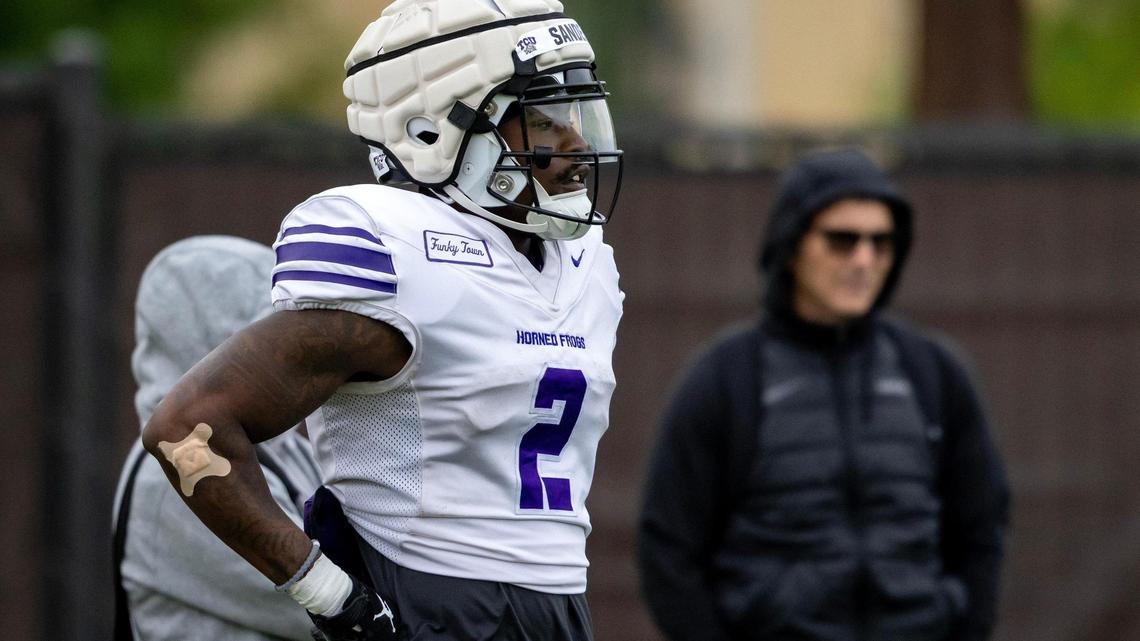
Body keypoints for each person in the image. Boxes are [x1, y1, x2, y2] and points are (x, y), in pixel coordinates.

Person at [140, 1, 624, 640]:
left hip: (560, 599)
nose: (576, 144)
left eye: (572, 115)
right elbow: (185, 429)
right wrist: (331, 597)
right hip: (432, 595)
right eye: (541, 118)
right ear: (432, 132)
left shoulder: (585, 263)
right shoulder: (400, 251)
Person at [637, 148, 1010, 641]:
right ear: (792, 244)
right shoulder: (727, 378)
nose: (864, 259)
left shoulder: (931, 372)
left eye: (881, 242)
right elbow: (668, 550)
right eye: (842, 240)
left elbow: (982, 529)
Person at [111, 235, 322, 641]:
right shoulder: (171, 472)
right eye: (265, 338)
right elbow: (326, 610)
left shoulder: (283, 448)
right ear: (215, 343)